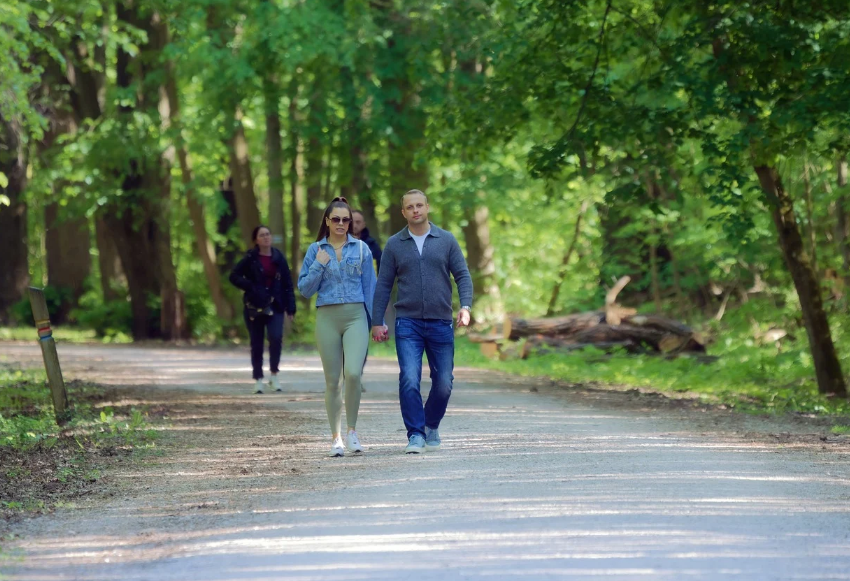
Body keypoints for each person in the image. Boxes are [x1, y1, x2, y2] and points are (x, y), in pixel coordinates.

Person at [371, 189, 473, 454]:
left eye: (419, 205)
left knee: (444, 382)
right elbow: (383, 285)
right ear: (403, 212)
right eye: (410, 207)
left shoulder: (446, 240)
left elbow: (462, 275)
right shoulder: (394, 244)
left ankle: (430, 423)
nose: (415, 210)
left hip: (440, 321)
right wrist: (377, 320)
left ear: (427, 207)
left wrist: (465, 306)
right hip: (408, 323)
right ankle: (415, 434)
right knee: (409, 378)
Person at [299, 196, 377, 457]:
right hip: (327, 318)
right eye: (336, 219)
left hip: (356, 316)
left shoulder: (363, 249)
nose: (342, 223)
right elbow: (305, 290)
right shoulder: (315, 250)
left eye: (346, 219)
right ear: (327, 221)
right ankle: (336, 438)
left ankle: (352, 432)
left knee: (353, 373)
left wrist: (377, 321)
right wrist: (319, 265)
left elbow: (371, 288)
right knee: (333, 381)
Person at [229, 225, 297, 394]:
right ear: (256, 240)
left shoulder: (278, 257)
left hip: (276, 304)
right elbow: (234, 276)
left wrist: (291, 307)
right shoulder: (250, 258)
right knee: (256, 342)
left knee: (276, 337)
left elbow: (287, 283)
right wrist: (250, 287)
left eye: (268, 234)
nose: (266, 237)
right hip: (254, 306)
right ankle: (258, 379)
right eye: (262, 235)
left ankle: (274, 375)